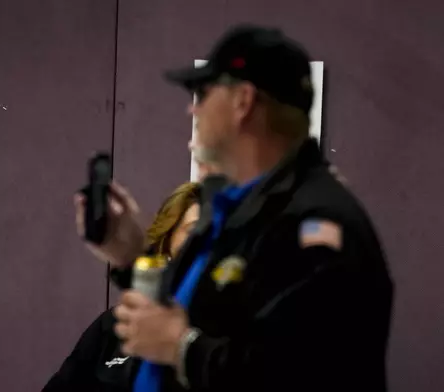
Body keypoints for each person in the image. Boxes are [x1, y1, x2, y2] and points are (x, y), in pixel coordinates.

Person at [74, 24, 393, 392]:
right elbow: (206, 311)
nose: (192, 108)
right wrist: (133, 256)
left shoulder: (316, 225)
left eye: (204, 93)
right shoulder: (233, 209)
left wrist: (182, 349)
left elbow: (292, 374)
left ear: (243, 102)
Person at [43, 182, 201, 392]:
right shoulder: (111, 327)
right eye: (196, 231)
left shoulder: (234, 340)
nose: (210, 243)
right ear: (168, 243)